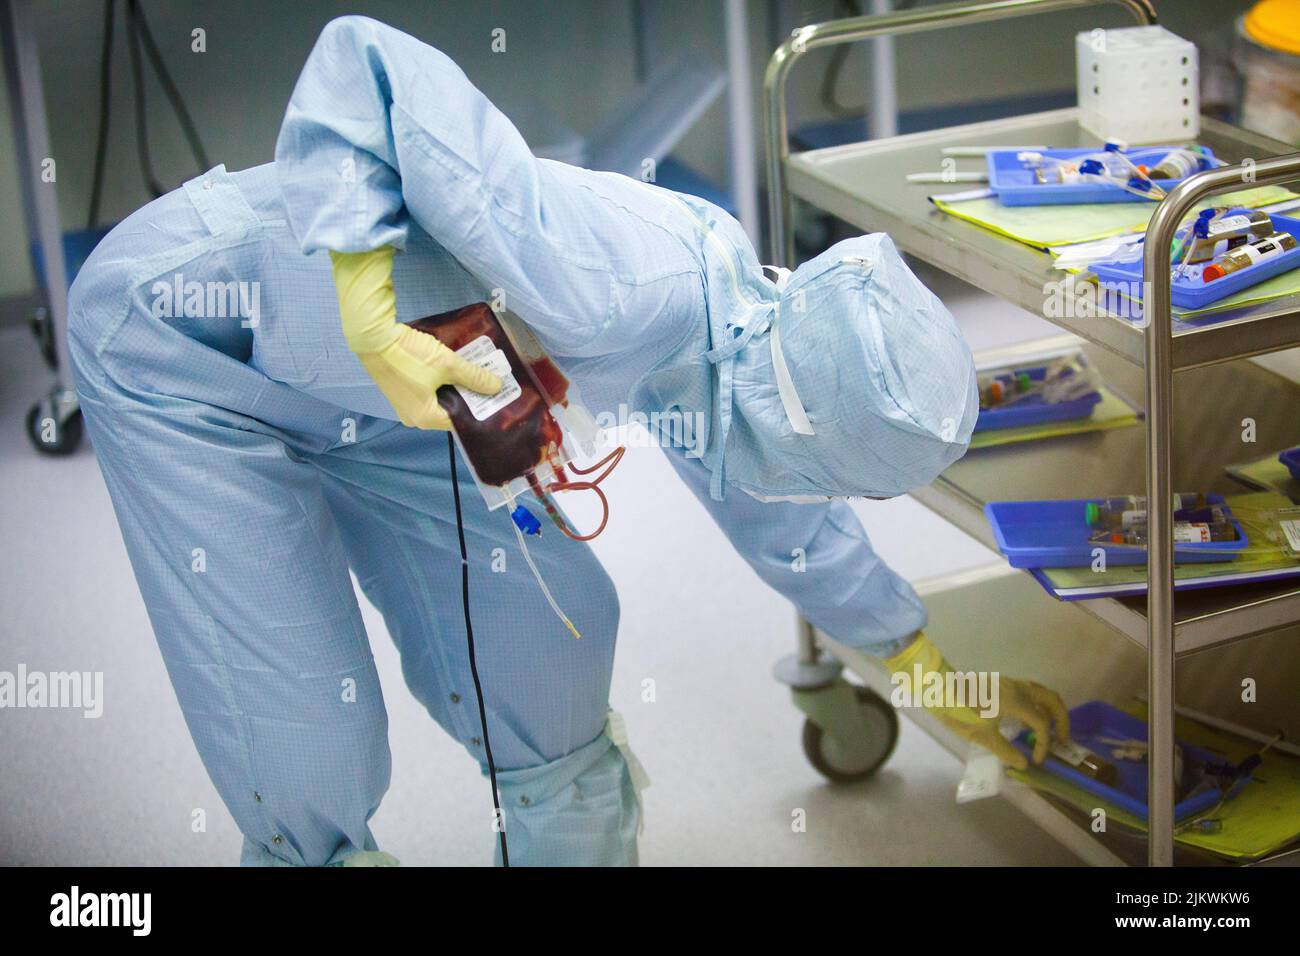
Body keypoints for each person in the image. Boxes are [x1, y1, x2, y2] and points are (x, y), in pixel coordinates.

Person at [68, 16, 1069, 867]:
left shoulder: (744, 347)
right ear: (799, 420)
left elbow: (780, 518)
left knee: (558, 634)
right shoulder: (620, 284)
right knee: (313, 746)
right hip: (193, 348)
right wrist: (368, 309)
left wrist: (934, 669)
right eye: (825, 473)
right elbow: (363, 61)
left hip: (413, 391)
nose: (807, 489)